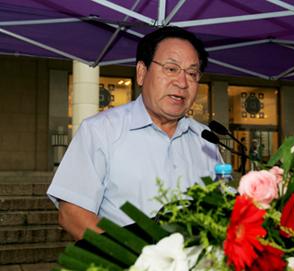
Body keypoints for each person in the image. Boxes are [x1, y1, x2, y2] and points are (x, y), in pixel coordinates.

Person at [47, 26, 222, 240]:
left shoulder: (205, 139)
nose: (182, 82)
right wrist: (139, 257)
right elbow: (72, 214)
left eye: (192, 73)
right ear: (141, 72)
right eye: (171, 69)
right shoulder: (101, 131)